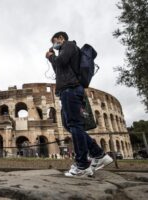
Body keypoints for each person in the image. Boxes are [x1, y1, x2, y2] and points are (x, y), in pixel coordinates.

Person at [46, 31, 113, 177]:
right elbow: (59, 69)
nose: (54, 44)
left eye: (54, 41)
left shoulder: (69, 45)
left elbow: (60, 62)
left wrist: (51, 56)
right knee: (69, 124)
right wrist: (53, 60)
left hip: (71, 89)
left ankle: (82, 165)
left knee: (75, 124)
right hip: (68, 90)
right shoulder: (66, 50)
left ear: (61, 38)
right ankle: (98, 154)